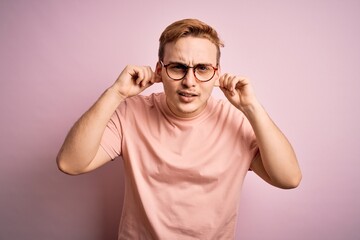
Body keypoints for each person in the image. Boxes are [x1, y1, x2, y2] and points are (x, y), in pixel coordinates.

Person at [57, 18, 302, 239]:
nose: (189, 81)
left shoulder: (237, 121)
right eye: (178, 67)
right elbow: (70, 163)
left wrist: (251, 107)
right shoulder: (131, 113)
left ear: (217, 74)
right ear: (160, 71)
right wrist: (115, 93)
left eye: (202, 69)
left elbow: (288, 179)